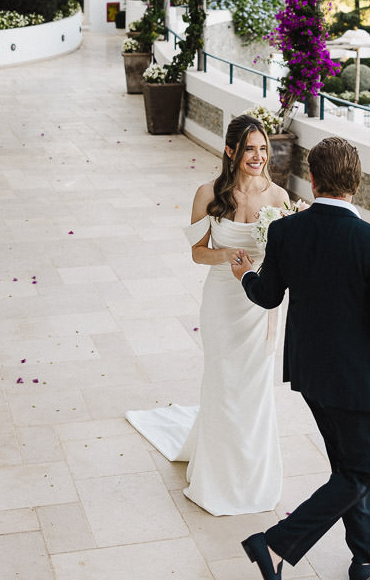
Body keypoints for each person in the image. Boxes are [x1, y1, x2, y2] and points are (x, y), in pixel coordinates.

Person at [231, 136, 370, 580]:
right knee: (361, 470)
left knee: (348, 464)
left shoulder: (285, 230)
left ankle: (366, 553)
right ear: (357, 181)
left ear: (312, 180)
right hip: (357, 382)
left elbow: (267, 296)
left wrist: (246, 275)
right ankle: (274, 544)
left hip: (310, 375)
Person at [126, 114, 290, 515]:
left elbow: (287, 258)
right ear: (232, 151)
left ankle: (253, 477)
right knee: (223, 383)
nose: (258, 156)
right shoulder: (207, 193)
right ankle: (218, 478)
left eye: (263, 148)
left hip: (260, 308)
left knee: (254, 390)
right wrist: (227, 256)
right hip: (221, 301)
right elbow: (197, 252)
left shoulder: (280, 198)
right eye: (250, 148)